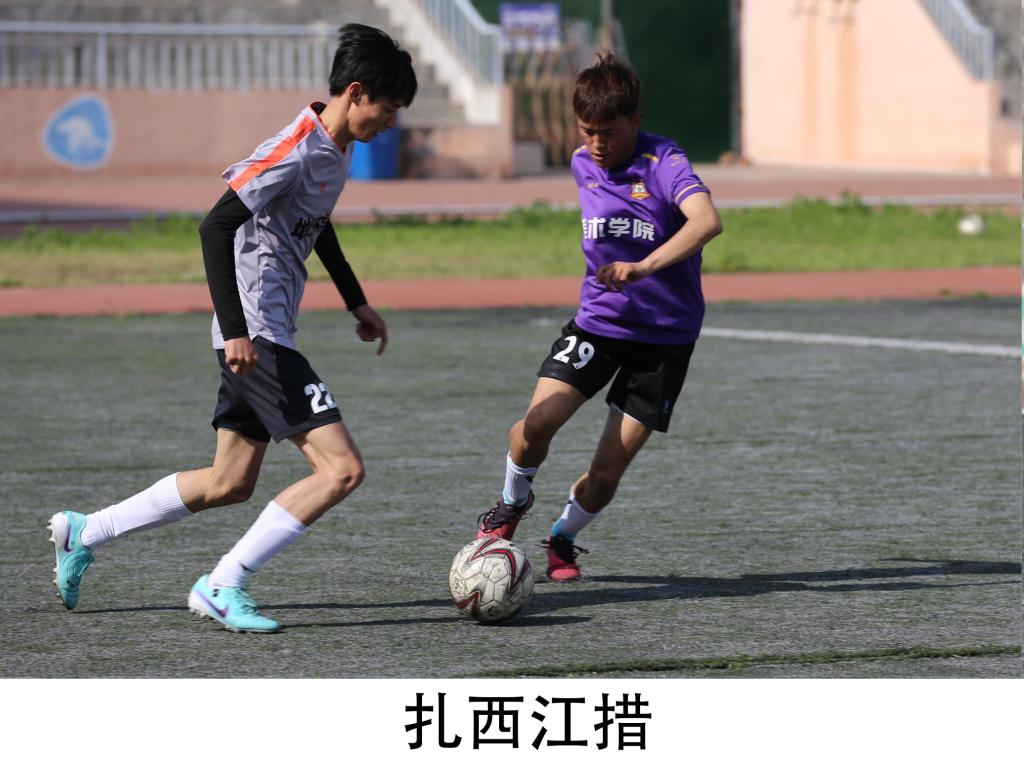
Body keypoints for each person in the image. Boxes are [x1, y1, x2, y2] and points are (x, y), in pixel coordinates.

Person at [48, 24, 416, 632]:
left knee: (230, 481)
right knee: (342, 469)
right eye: (389, 107)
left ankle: (86, 531)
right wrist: (239, 328)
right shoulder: (295, 148)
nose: (392, 122)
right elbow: (214, 226)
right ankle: (223, 584)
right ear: (356, 92)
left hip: (267, 332)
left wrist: (357, 302)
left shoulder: (337, 148)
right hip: (258, 335)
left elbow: (316, 223)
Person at [476, 53, 723, 581]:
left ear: (635, 121)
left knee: (607, 471)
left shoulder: (664, 162)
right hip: (598, 325)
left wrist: (644, 266)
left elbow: (706, 222)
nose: (596, 144)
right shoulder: (581, 163)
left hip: (664, 341)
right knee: (534, 427)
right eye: (586, 131)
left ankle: (562, 538)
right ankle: (512, 501)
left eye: (608, 133)